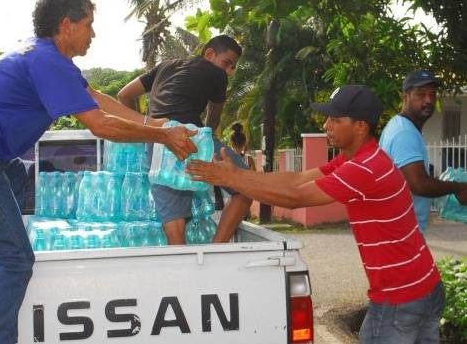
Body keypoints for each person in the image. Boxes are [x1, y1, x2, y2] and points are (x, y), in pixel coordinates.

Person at [0, 0, 196, 344]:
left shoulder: (45, 57)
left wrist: (157, 125)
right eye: (89, 24)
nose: (93, 33)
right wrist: (163, 138)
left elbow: (97, 100)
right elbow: (102, 125)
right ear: (66, 25)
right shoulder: (47, 62)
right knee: (15, 260)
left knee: (13, 181)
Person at [188, 85, 445, 344]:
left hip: (400, 299)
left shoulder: (365, 168)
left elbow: (295, 198)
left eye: (335, 119)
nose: (326, 125)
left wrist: (233, 180)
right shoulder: (355, 159)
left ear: (360, 127)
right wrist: (238, 175)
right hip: (423, 285)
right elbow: (297, 180)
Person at [118, 35, 252, 244]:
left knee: (175, 227)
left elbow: (124, 94)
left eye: (233, 67)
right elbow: (212, 121)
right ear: (209, 54)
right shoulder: (217, 74)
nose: (229, 71)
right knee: (247, 185)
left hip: (158, 143)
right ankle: (216, 250)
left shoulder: (165, 66)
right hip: (191, 139)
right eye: (227, 63)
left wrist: (143, 129)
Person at [379, 70, 467, 233]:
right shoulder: (404, 133)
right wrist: (458, 188)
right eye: (421, 94)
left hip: (401, 230)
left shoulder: (402, 127)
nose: (428, 100)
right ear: (405, 97)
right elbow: (419, 184)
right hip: (402, 233)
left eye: (432, 95)